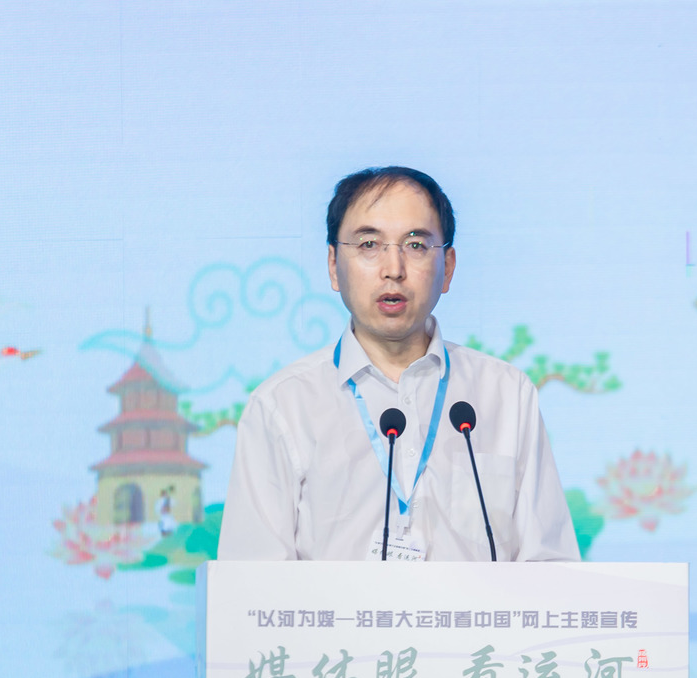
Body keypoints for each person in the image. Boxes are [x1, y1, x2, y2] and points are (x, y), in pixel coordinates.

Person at [217, 167, 579, 562]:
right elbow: (250, 582)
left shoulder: (506, 396)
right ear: (334, 265)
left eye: (416, 245)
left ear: (448, 267)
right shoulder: (282, 406)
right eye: (369, 244)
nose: (393, 268)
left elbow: (551, 568)